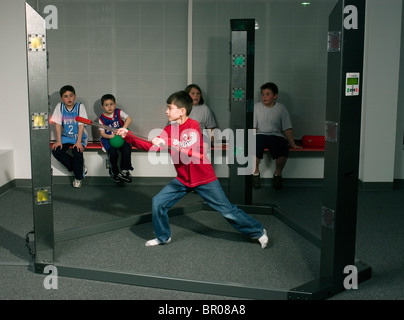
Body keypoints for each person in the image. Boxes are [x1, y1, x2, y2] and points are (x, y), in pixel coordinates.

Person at [117, 91, 268, 248]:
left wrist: (167, 142)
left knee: (227, 210)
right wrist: (128, 136)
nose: (166, 111)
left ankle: (258, 231)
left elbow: (189, 146)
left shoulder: (193, 126)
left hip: (204, 180)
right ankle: (163, 236)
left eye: (170, 108)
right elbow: (149, 146)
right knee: (158, 202)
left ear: (182, 111)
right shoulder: (169, 129)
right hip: (183, 180)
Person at [253, 82, 301, 190]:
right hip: (259, 134)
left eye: (267, 94)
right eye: (263, 94)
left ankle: (277, 175)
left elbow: (287, 128)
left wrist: (293, 144)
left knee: (283, 152)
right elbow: (253, 129)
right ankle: (255, 174)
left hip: (276, 135)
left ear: (275, 96)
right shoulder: (256, 107)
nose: (264, 96)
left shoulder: (281, 108)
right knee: (253, 151)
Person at [51, 85, 88, 188]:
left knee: (77, 151)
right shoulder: (60, 106)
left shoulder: (80, 107)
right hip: (66, 136)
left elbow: (81, 125)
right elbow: (57, 125)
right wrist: (59, 141)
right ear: (62, 98)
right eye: (66, 96)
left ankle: (78, 178)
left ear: (75, 96)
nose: (69, 98)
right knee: (57, 151)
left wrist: (79, 142)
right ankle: (79, 167)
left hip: (80, 136)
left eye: (71, 95)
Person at [99, 94, 134, 183]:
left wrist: (123, 128)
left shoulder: (118, 112)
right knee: (113, 153)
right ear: (102, 107)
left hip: (120, 136)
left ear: (115, 104)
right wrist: (110, 136)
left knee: (127, 148)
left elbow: (129, 119)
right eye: (106, 105)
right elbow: (102, 133)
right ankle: (114, 172)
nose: (109, 107)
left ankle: (125, 170)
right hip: (108, 138)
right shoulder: (101, 119)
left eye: (111, 104)